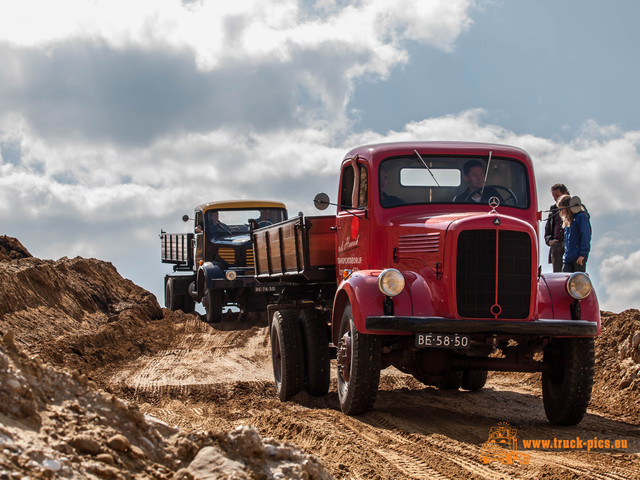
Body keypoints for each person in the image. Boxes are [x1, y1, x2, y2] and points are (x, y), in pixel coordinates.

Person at [556, 194, 591, 272]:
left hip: (578, 257)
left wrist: (583, 254)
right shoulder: (568, 220)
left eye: (562, 209)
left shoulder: (581, 217)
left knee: (577, 283)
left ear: (568, 207)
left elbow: (585, 235)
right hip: (568, 258)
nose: (561, 212)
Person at [544, 183, 569, 272]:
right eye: (554, 197)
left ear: (565, 193)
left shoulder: (575, 206)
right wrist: (549, 241)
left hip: (569, 244)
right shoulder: (553, 208)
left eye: (557, 196)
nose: (555, 199)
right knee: (557, 274)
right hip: (556, 244)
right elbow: (547, 229)